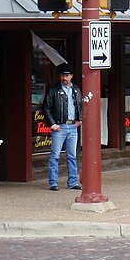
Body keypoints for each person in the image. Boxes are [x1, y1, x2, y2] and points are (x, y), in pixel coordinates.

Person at [41, 62, 82, 191]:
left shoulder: (76, 90)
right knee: (55, 155)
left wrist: (79, 120)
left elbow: (81, 105)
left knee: (72, 155)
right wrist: (53, 124)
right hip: (60, 126)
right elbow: (46, 108)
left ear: (71, 76)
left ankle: (73, 182)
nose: (65, 78)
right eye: (63, 75)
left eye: (67, 75)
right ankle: (53, 182)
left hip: (72, 125)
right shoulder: (54, 90)